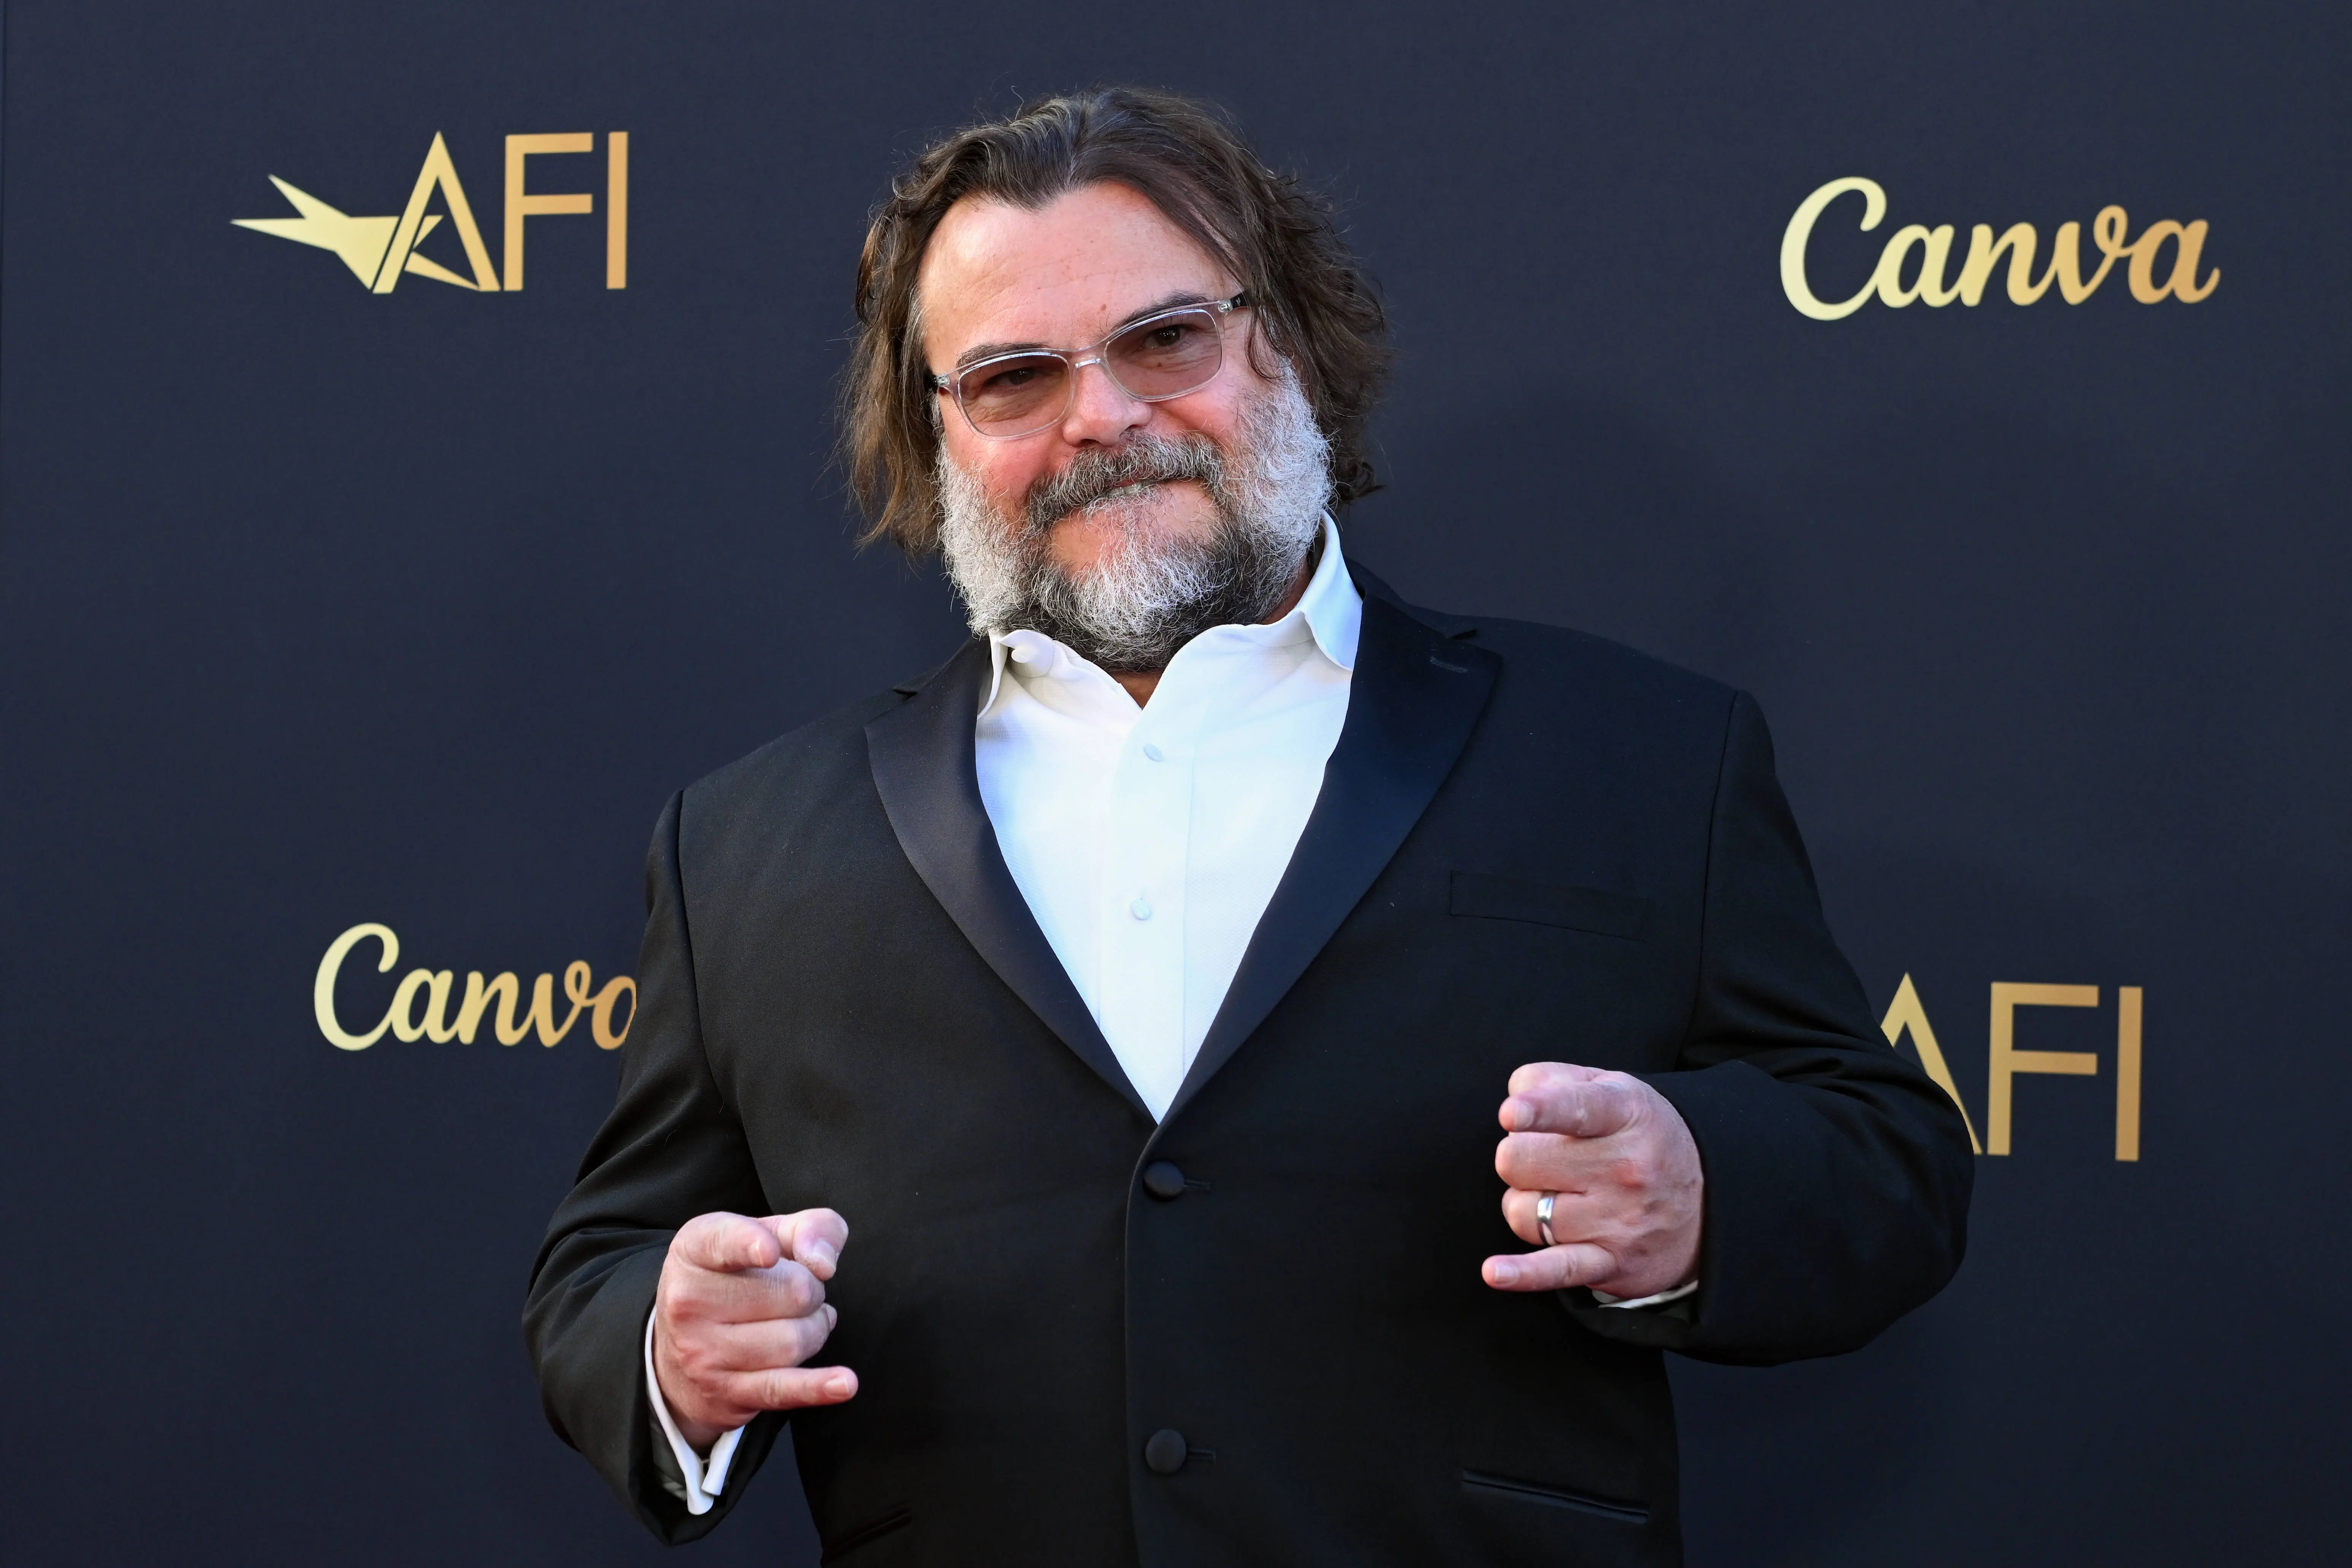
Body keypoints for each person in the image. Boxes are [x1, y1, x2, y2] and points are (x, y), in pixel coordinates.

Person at [524, 86, 1972, 1566]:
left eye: (1165, 340)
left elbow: (1890, 1160)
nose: (1102, 416)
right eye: (1015, 377)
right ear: (938, 432)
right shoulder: (750, 845)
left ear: (1285, 341)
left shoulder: (1641, 753)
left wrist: (1699, 1188)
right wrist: (673, 1345)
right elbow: (599, 1271)